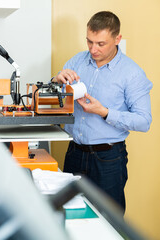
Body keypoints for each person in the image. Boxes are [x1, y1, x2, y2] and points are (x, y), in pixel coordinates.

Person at [51, 11, 152, 212]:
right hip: (74, 153)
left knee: (108, 221)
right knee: (70, 213)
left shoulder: (132, 73)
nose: (93, 49)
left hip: (108, 159)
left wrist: (104, 112)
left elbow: (144, 121)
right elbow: (55, 98)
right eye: (89, 41)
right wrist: (56, 79)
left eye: (100, 44)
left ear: (117, 39)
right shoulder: (77, 61)